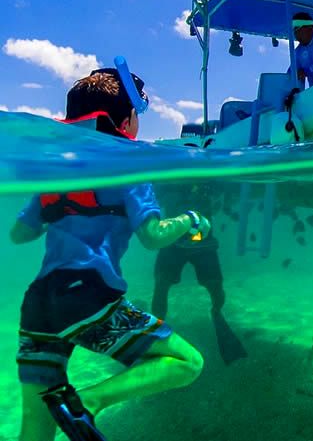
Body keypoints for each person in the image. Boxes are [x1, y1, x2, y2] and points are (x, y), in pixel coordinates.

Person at [11, 59, 211, 441]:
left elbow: (20, 233)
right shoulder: (128, 163)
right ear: (127, 122)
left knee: (34, 428)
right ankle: (89, 401)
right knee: (186, 361)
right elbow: (153, 235)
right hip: (88, 297)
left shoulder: (59, 171)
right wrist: (190, 219)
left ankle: (68, 405)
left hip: (38, 304)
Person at [152, 182, 247, 366]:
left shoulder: (204, 177)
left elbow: (227, 188)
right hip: (173, 241)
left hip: (202, 242)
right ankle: (157, 331)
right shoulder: (168, 178)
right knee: (162, 283)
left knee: (214, 285)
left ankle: (217, 313)